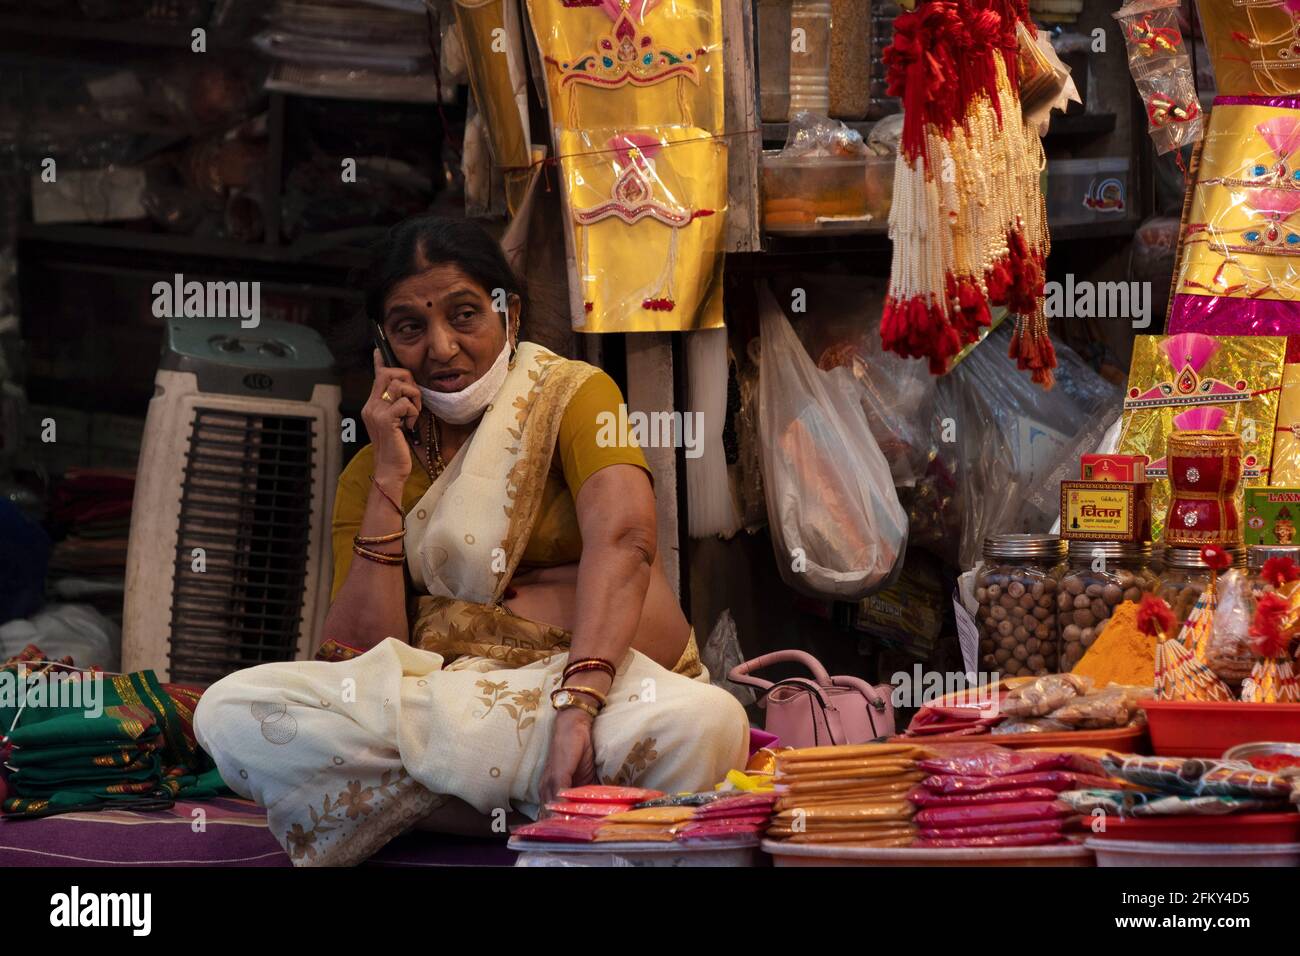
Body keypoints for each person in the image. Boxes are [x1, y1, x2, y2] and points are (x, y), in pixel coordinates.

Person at [194, 216, 748, 865]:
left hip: (593, 693)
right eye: (410, 328)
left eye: (464, 316)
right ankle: (543, 812)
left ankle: (448, 803)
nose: (443, 347)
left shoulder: (571, 396)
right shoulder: (373, 468)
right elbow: (358, 658)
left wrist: (575, 705)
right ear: (383, 343)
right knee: (232, 712)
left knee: (708, 723)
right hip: (451, 704)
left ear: (508, 312)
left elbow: (624, 538)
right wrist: (389, 478)